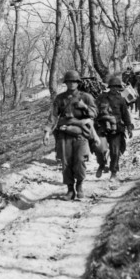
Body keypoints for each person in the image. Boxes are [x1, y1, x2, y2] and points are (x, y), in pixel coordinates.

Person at [43, 69, 98, 200]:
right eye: (69, 81)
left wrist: (84, 107)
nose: (72, 84)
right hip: (64, 135)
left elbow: (95, 113)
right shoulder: (60, 98)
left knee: (80, 160)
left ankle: (79, 186)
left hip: (81, 134)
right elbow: (53, 116)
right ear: (66, 83)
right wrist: (47, 132)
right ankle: (70, 189)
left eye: (74, 81)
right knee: (66, 162)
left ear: (78, 83)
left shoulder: (86, 97)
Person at [95, 75, 134, 180]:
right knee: (100, 149)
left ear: (119, 88)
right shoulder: (101, 98)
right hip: (102, 127)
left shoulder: (121, 100)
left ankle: (113, 171)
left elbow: (126, 115)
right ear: (109, 87)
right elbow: (94, 111)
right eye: (112, 86)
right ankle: (102, 164)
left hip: (116, 129)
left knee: (115, 151)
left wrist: (129, 127)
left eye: (116, 87)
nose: (114, 89)